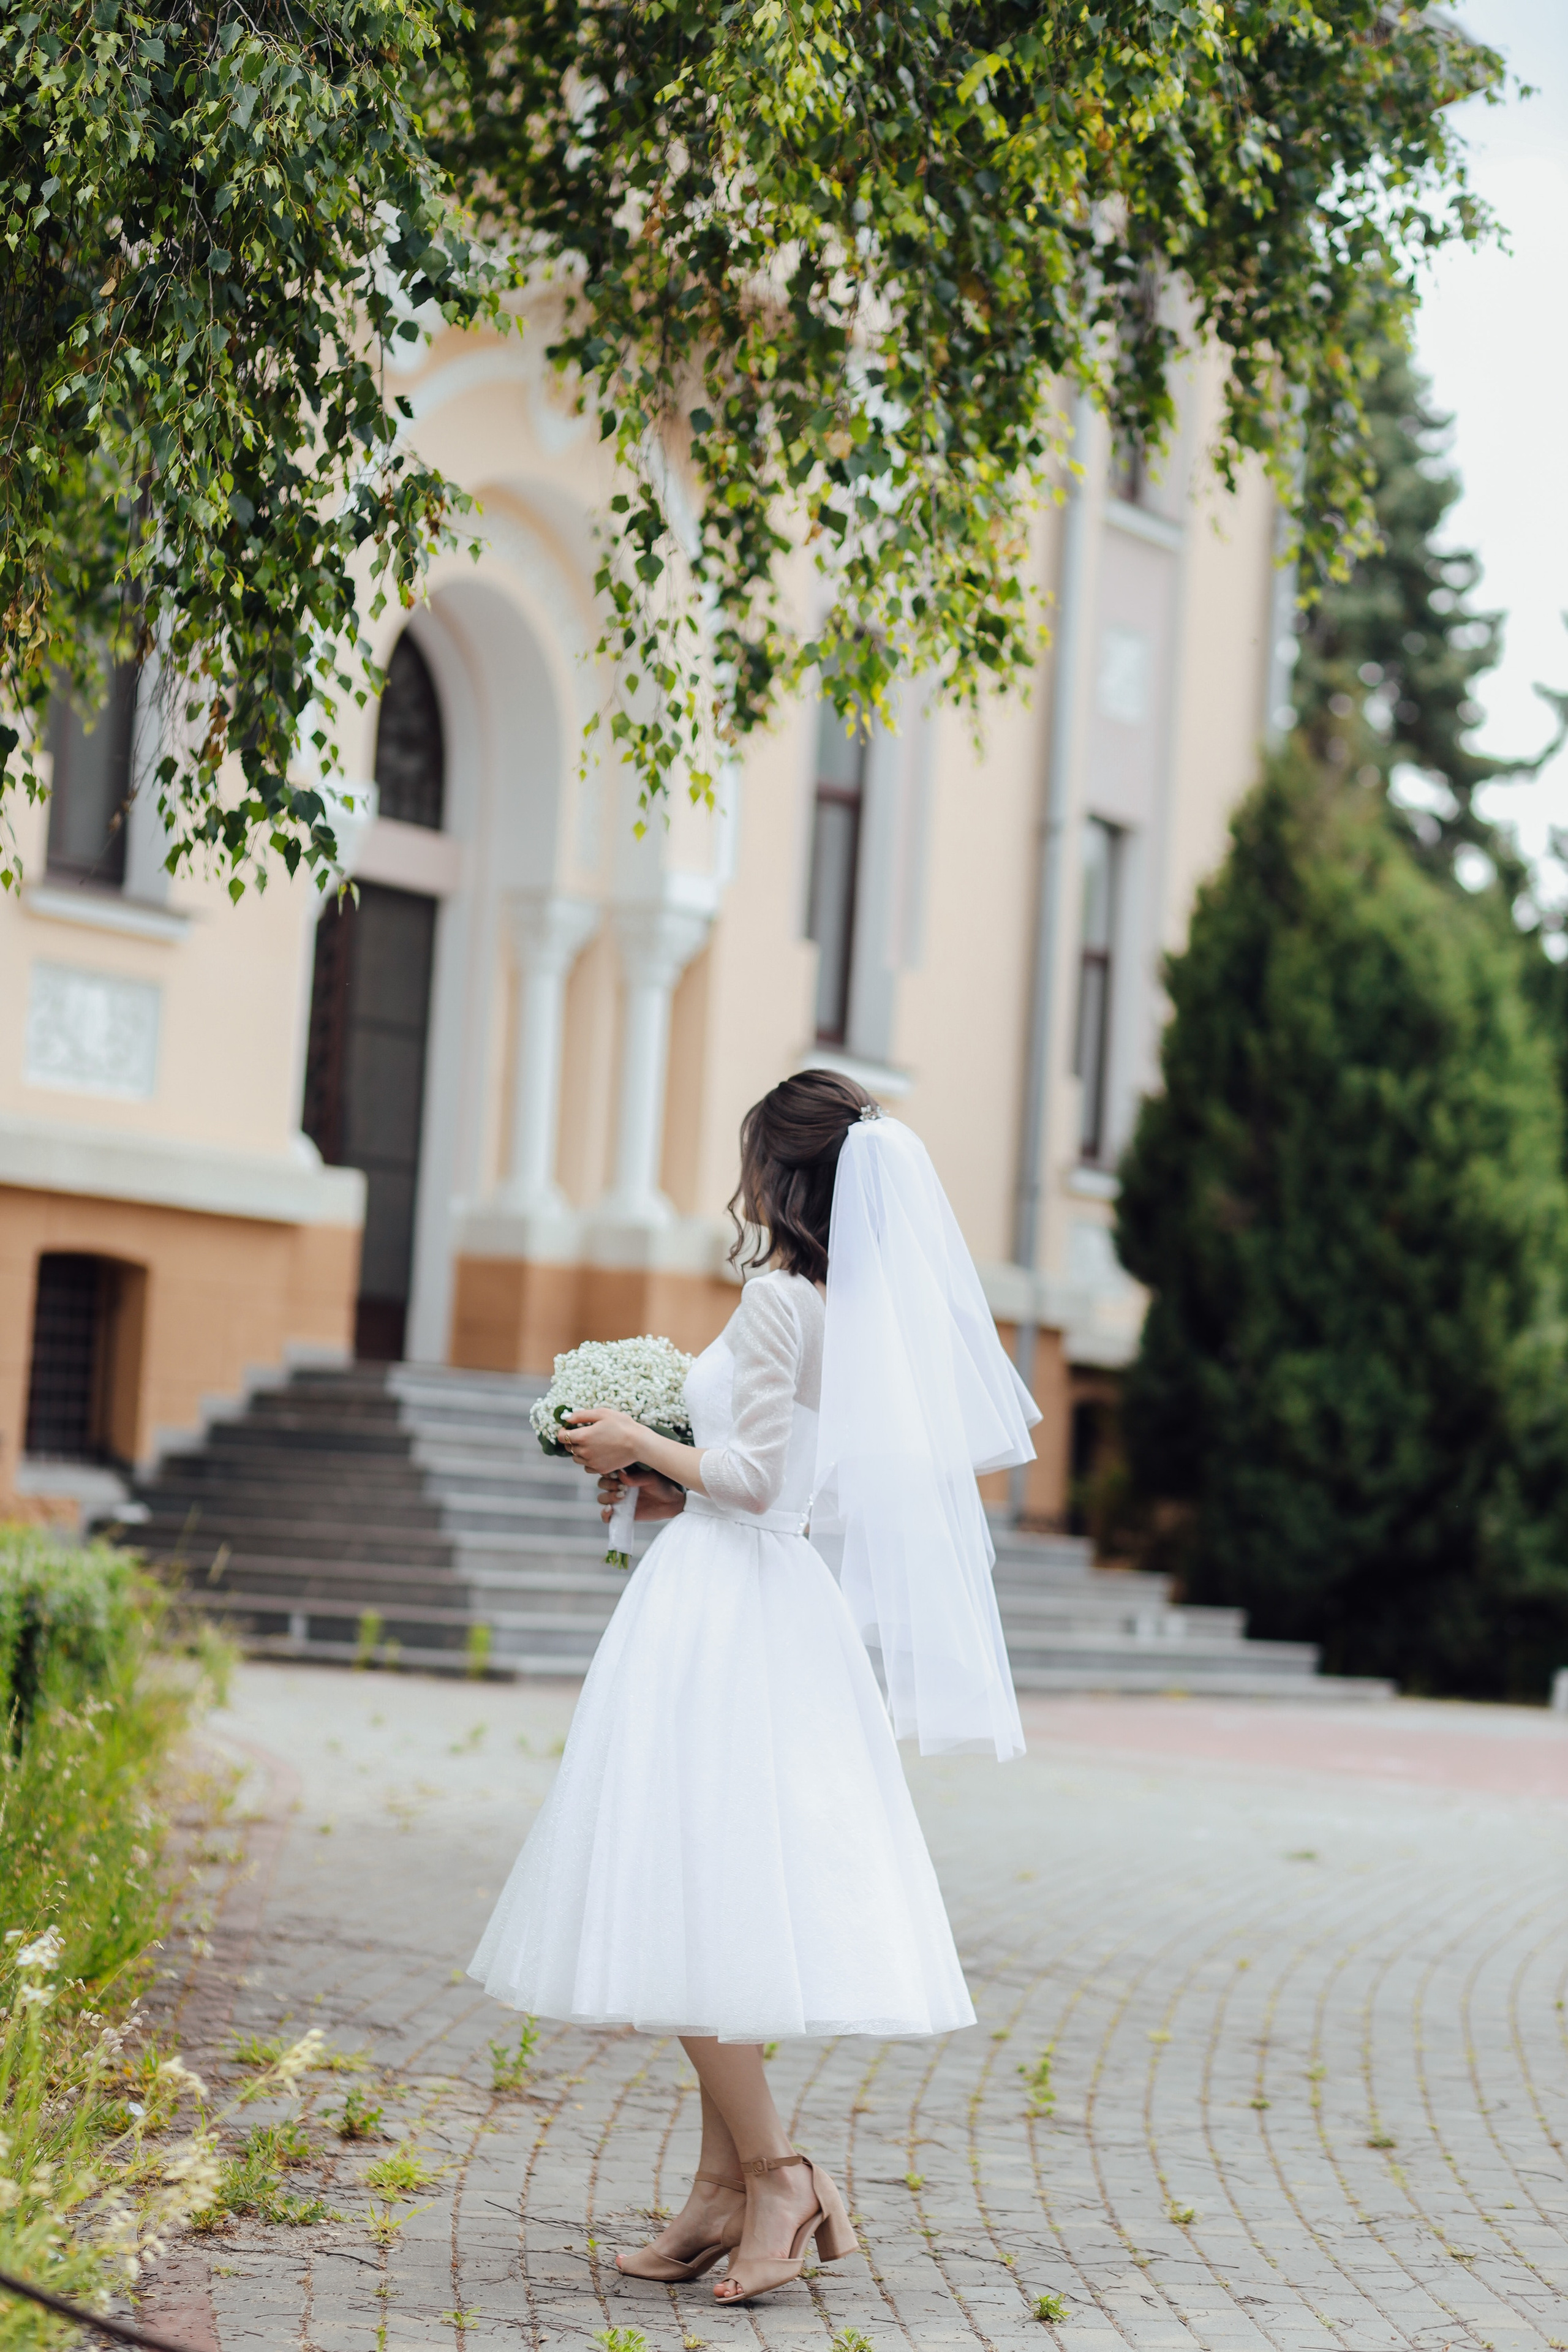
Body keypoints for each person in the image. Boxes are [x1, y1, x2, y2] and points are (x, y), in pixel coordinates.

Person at [468, 1070, 1039, 2304]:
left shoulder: (781, 1300)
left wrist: (633, 1445)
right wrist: (672, 1476)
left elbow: (767, 1488)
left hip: (727, 1615)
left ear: (780, 1177)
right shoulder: (851, 1308)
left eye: (751, 1161)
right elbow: (806, 1484)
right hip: (770, 1608)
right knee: (708, 1896)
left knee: (687, 1890)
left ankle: (776, 2175)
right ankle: (719, 2192)